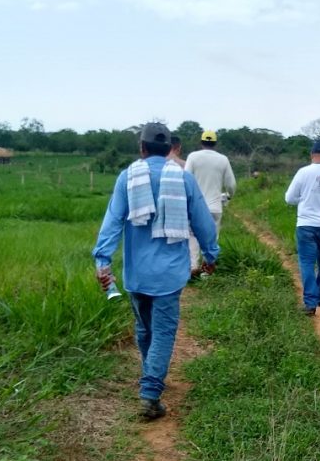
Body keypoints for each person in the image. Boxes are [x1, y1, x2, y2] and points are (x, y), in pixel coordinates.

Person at [93, 122, 219, 420]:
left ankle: (151, 374)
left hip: (136, 273)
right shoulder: (184, 179)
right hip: (170, 274)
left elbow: (112, 221)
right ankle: (150, 392)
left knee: (144, 328)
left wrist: (102, 261)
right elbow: (202, 222)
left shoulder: (127, 177)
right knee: (162, 331)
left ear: (142, 148)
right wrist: (211, 254)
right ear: (171, 150)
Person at [284, 140, 320, 315]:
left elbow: (289, 198)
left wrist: (303, 200)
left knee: (307, 263)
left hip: (305, 224)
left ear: (312, 154)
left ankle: (310, 303)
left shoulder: (303, 172)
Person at [185, 130, 236, 274]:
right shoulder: (223, 159)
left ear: (201, 142)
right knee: (211, 240)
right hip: (215, 207)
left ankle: (193, 265)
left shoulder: (193, 157)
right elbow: (231, 185)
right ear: (215, 143)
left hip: (196, 207)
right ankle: (207, 270)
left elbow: (186, 179)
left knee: (193, 236)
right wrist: (228, 196)